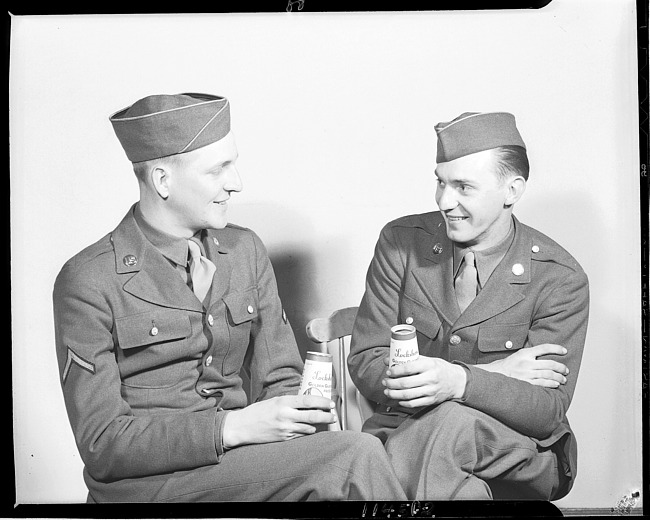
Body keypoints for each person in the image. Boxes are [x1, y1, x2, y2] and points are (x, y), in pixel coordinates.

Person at [53, 92, 407, 503]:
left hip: (242, 462)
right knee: (354, 458)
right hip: (148, 486)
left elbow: (280, 378)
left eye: (233, 164)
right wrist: (235, 428)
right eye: (217, 170)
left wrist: (293, 416)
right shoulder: (87, 280)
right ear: (162, 180)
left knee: (349, 455)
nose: (235, 183)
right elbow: (102, 445)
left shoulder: (243, 250)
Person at [348, 111, 589, 501]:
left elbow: (546, 409)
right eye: (440, 182)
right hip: (403, 433)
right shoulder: (400, 243)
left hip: (514, 446)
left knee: (449, 424)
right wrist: (492, 373)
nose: (445, 201)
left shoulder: (559, 278)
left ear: (511, 191)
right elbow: (365, 360)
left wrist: (457, 381)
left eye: (463, 186)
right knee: (461, 490)